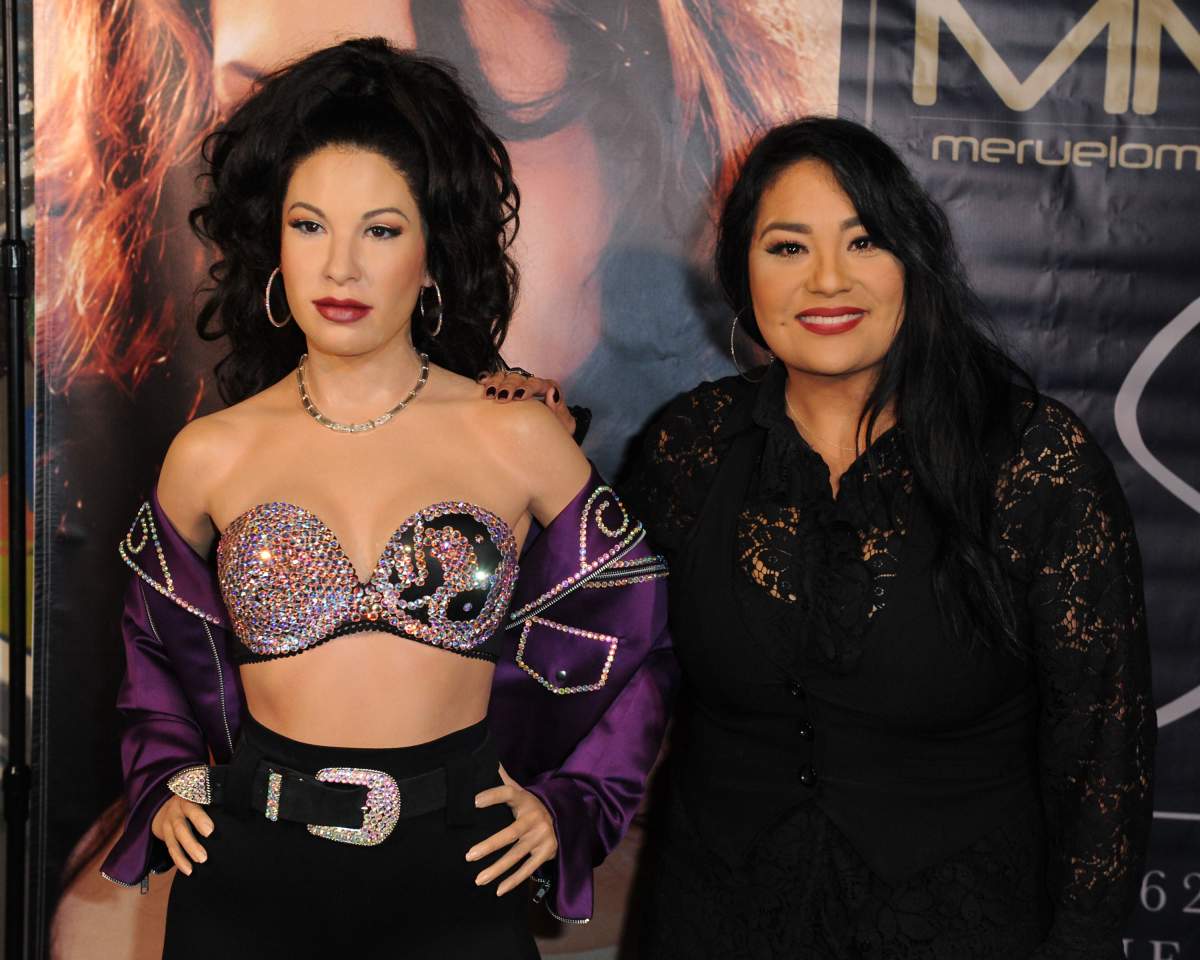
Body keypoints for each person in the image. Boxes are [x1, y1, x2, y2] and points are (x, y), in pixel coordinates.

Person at [485, 117, 1155, 959]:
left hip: (959, 928)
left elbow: (1102, 752)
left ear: (913, 261)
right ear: (744, 274)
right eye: (788, 247)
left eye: (863, 241)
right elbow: (607, 649)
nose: (828, 280)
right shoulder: (692, 445)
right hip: (714, 922)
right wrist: (530, 465)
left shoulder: (1033, 462)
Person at [99, 38, 674, 959]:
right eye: (309, 226)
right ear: (273, 245)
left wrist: (573, 803)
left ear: (433, 254)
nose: (340, 268)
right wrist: (165, 778)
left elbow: (639, 636)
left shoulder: (516, 434)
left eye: (381, 230)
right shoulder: (210, 453)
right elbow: (149, 651)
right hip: (250, 880)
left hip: (459, 873)